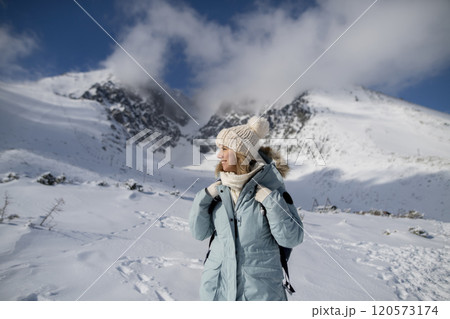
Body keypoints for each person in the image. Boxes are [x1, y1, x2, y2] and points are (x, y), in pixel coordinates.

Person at [189, 116, 304, 301]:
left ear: (241, 153)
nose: (219, 155)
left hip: (259, 295)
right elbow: (199, 233)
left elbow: (292, 238)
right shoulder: (218, 191)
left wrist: (271, 201)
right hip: (217, 293)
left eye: (224, 149)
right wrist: (203, 198)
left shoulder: (272, 190)